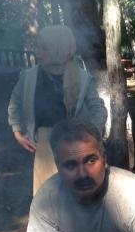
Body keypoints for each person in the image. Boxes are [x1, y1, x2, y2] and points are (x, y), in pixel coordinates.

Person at [8, 25, 107, 195]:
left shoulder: (82, 78)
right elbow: (15, 103)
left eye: (44, 48)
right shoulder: (29, 77)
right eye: (37, 47)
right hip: (45, 143)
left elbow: (98, 109)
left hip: (75, 144)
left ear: (59, 49)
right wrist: (17, 130)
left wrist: (91, 137)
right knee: (47, 197)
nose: (37, 52)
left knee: (76, 197)